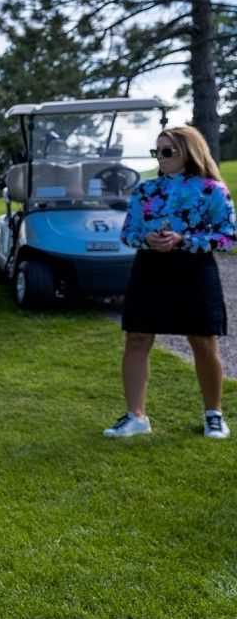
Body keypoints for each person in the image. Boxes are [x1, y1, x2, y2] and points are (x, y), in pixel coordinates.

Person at [104, 125, 235, 439]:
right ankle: (136, 417)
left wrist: (183, 240)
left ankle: (213, 415)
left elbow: (228, 236)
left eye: (166, 151)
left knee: (203, 341)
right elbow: (127, 233)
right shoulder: (145, 190)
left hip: (194, 269)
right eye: (156, 151)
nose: (160, 158)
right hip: (150, 268)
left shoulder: (211, 189)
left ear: (187, 152)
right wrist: (147, 239)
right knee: (136, 338)